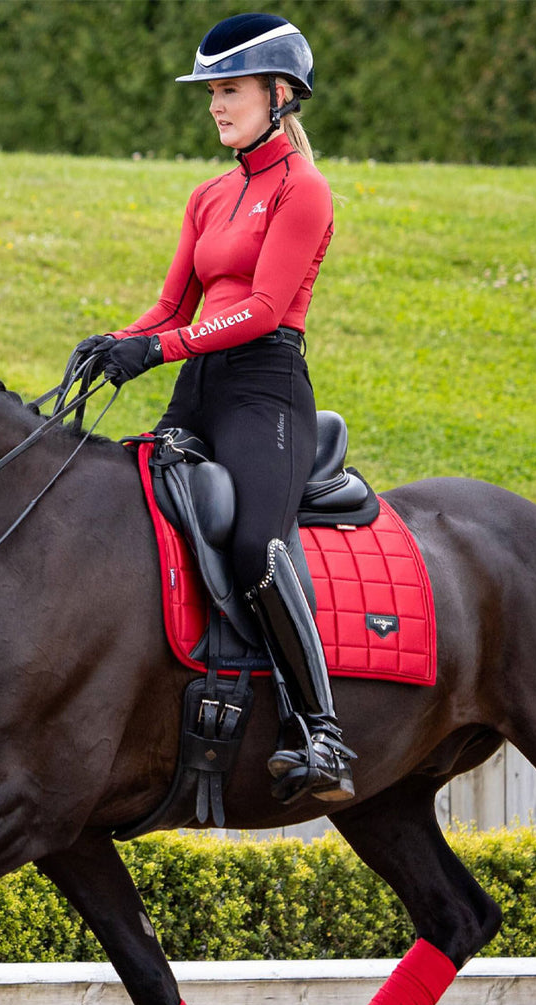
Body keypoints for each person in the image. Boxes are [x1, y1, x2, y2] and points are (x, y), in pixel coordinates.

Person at [77, 12, 354, 804]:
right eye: (211, 93)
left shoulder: (305, 190)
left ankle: (322, 730)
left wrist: (159, 350)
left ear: (280, 95)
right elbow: (170, 307)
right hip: (196, 385)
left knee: (259, 546)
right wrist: (115, 342)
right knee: (131, 513)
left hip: (265, 392)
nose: (215, 106)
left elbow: (265, 307)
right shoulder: (208, 195)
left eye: (228, 91)